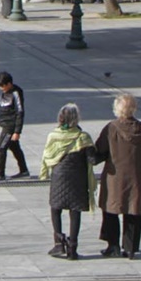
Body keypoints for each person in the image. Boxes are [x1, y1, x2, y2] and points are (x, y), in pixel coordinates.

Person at [93, 93, 141, 259]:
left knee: (111, 210)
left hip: (115, 178)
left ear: (117, 109)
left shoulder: (111, 128)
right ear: (134, 109)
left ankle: (112, 245)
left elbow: (99, 152)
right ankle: (130, 248)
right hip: (138, 178)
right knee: (133, 211)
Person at [42, 103, 96, 260]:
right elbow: (92, 159)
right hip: (77, 180)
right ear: (76, 119)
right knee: (75, 212)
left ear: (60, 118)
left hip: (58, 178)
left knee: (55, 209)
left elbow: (47, 156)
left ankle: (59, 243)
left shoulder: (53, 136)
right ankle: (72, 248)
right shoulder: (83, 137)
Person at [0, 71, 28, 180]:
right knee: (14, 147)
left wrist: (17, 131)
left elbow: (20, 112)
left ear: (9, 83)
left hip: (11, 125)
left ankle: (0, 173)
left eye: (3, 86)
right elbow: (3, 110)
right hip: (5, 123)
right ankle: (24, 170)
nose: (1, 88)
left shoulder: (16, 92)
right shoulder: (4, 93)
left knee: (1, 147)